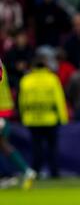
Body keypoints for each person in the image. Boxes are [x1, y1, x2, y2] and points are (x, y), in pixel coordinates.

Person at [18, 54, 68, 178]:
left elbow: (22, 101)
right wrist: (63, 118)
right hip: (50, 119)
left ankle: (36, 171)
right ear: (46, 66)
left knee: (36, 147)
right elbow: (59, 99)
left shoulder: (26, 80)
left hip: (32, 119)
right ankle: (54, 172)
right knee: (52, 148)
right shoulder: (52, 79)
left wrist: (22, 117)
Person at [0, 59, 36, 189]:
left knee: (3, 144)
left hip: (1, 111)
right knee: (3, 144)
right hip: (5, 110)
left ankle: (7, 175)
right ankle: (25, 171)